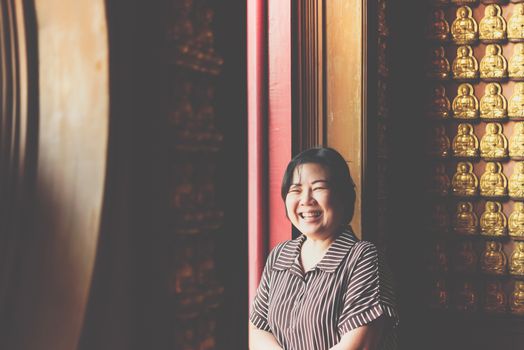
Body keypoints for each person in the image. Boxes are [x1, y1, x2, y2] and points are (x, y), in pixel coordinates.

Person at [249, 147, 398, 350]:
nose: (306, 200)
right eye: (296, 190)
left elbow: (358, 346)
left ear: (343, 196)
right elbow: (257, 329)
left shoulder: (362, 257)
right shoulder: (279, 255)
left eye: (319, 188)